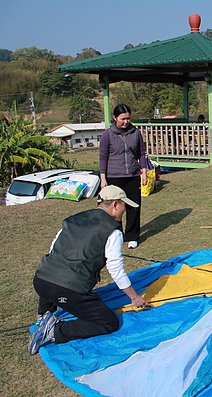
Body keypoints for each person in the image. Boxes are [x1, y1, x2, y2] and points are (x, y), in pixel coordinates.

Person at [28, 186, 151, 355]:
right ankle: (55, 331)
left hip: (40, 280)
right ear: (115, 205)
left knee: (54, 276)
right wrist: (134, 297)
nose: (125, 211)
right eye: (125, 206)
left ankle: (44, 315)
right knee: (108, 323)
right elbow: (116, 270)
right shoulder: (113, 231)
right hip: (65, 289)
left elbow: (54, 249)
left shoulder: (73, 219)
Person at [99, 104, 147, 249]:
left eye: (128, 118)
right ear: (115, 118)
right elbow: (103, 157)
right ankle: (116, 235)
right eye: (122, 119)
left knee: (133, 206)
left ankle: (132, 236)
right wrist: (103, 178)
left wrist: (143, 171)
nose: (126, 121)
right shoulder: (108, 135)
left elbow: (141, 153)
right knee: (114, 208)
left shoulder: (136, 133)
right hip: (114, 175)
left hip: (132, 174)